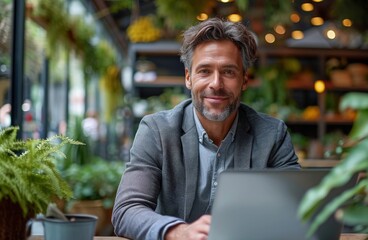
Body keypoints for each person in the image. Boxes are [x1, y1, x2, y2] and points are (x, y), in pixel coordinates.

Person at [112, 17, 300, 240]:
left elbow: (297, 209)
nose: (216, 83)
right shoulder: (157, 131)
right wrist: (179, 232)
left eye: (228, 72)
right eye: (204, 71)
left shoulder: (272, 135)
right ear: (188, 78)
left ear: (244, 80)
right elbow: (127, 210)